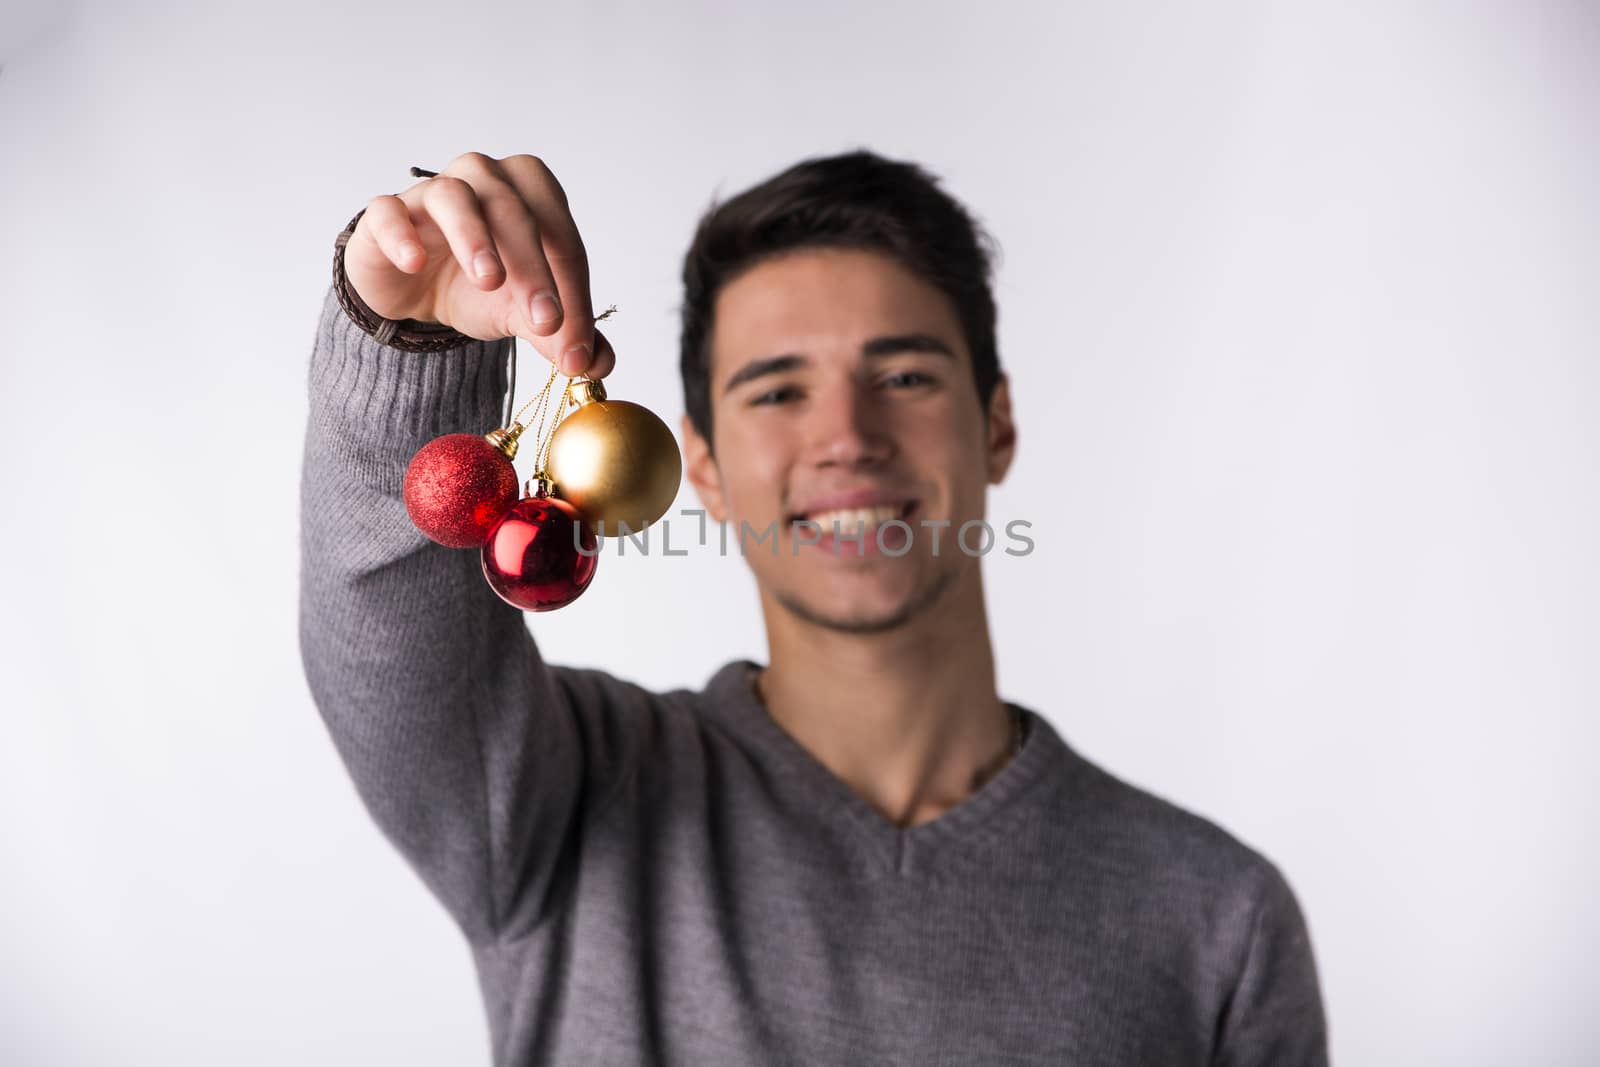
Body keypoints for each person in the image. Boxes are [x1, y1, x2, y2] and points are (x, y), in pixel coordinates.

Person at [299, 149, 1328, 1065]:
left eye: (905, 373)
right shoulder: (568, 800)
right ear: (700, 463)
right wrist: (409, 342)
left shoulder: (1216, 918)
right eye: (778, 391)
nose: (846, 435)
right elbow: (384, 629)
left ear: (996, 424)